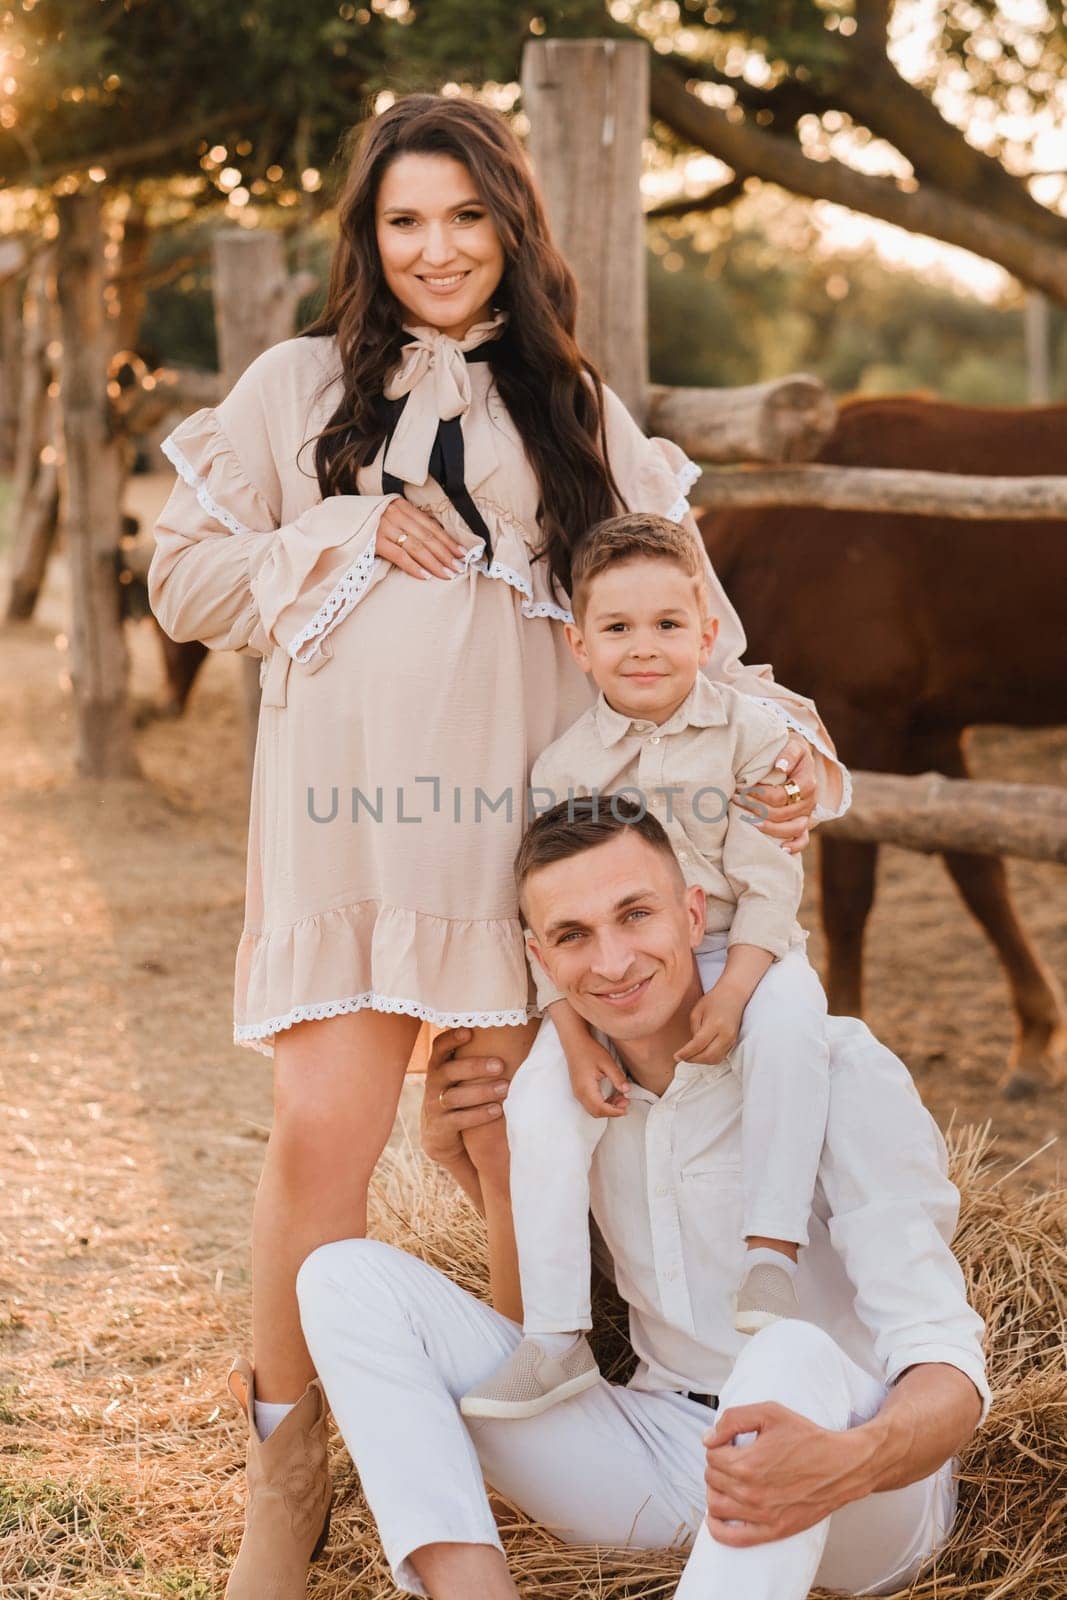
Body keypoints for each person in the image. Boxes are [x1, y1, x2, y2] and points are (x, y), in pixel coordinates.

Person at [149, 93, 846, 1596]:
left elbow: (686, 627)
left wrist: (784, 754)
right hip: (348, 833)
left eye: (465, 217)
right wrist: (333, 532)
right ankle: (287, 1468)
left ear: (512, 229)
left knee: (499, 1138)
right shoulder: (293, 391)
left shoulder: (574, 411)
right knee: (319, 1134)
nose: (434, 248)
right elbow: (183, 581)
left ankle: (540, 1444)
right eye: (404, 220)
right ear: (368, 234)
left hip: (516, 846)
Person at [296, 801, 987, 1600]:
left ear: (692, 914)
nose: (613, 961)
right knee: (341, 1277)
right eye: (572, 935)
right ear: (539, 958)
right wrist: (477, 1161)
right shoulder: (562, 1099)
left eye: (635, 915)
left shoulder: (835, 1069)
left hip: (858, 1483)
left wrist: (846, 1463)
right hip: (663, 1449)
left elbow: (945, 1364)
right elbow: (544, 1324)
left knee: (783, 1352)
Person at [461, 512, 831, 1422]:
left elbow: (769, 877)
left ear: (707, 636)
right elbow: (547, 918)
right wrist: (573, 1032)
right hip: (617, 966)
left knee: (793, 1034)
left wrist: (738, 986)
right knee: (537, 1106)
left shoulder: (751, 735)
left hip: (749, 941)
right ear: (578, 647)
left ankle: (770, 1255)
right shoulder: (564, 769)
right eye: (617, 629)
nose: (643, 648)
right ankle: (554, 1336)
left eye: (668, 625)